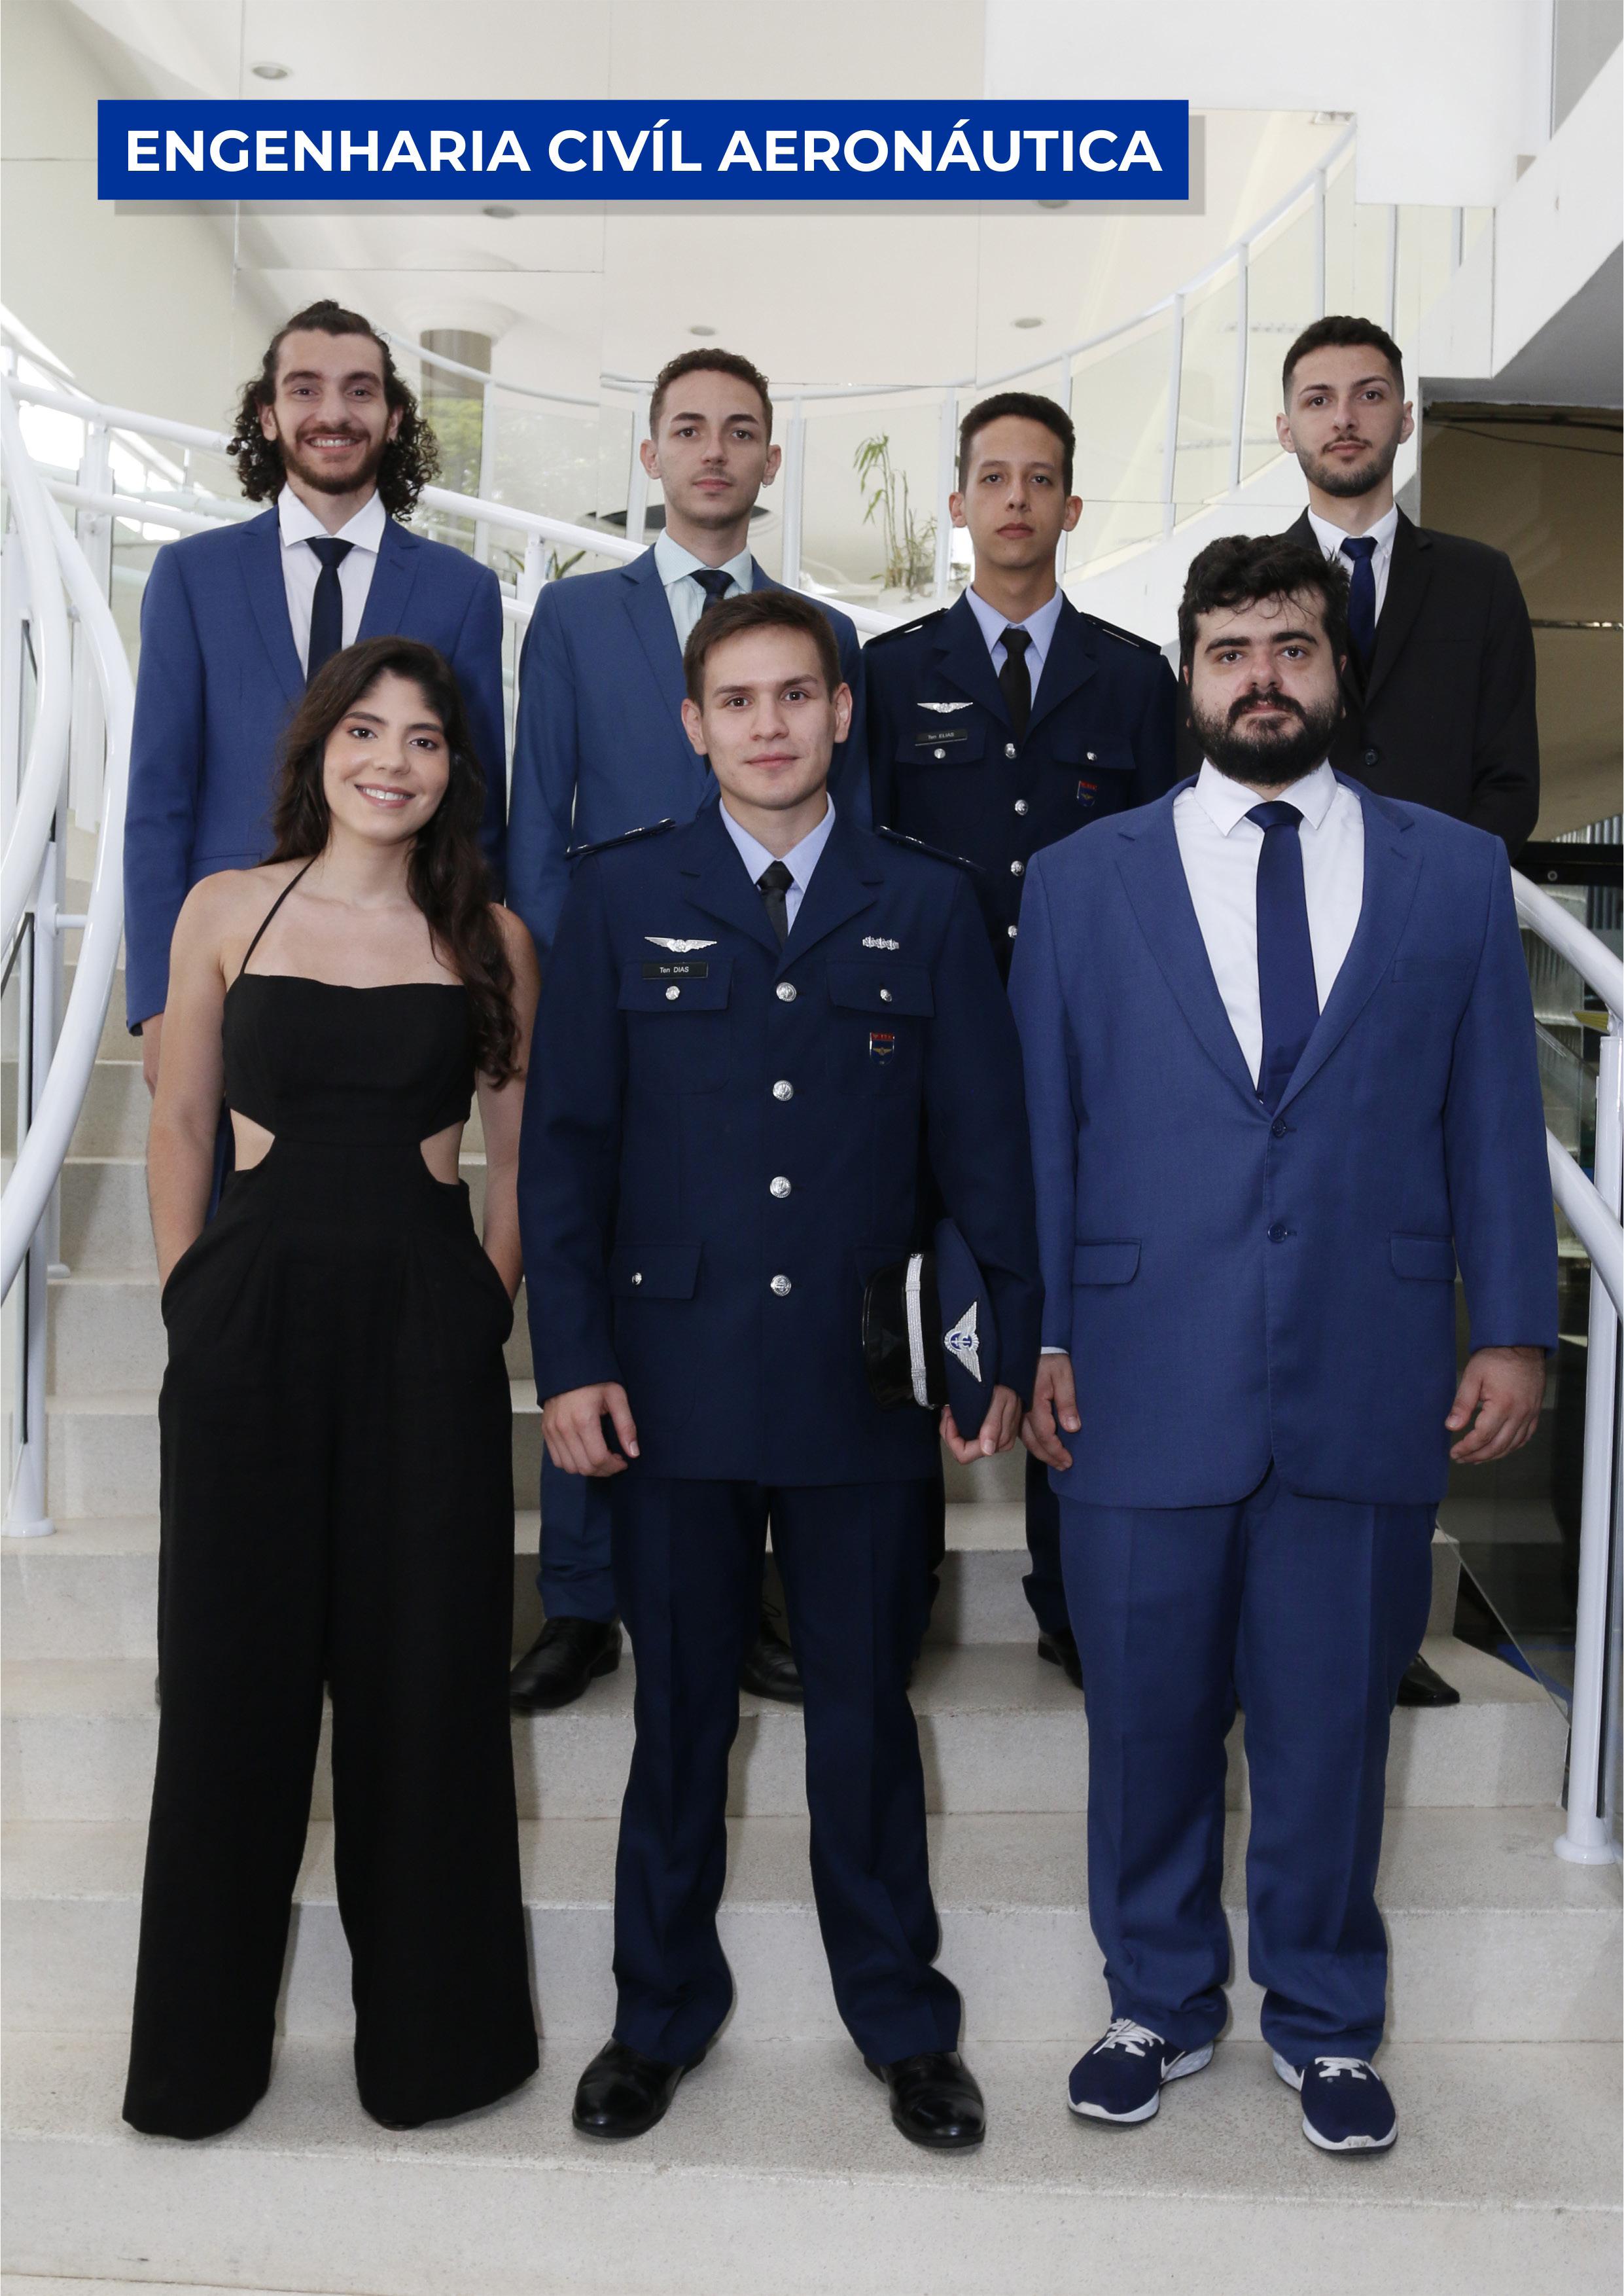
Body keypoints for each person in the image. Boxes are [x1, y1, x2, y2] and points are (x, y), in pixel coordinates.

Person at [1010, 534, 1555, 2155]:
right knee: (1144, 1720)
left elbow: (1493, 1121)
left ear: (1337, 671)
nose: (1261, 677)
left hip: (1366, 1365)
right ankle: (1155, 1999)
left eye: (1291, 647)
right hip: (1134, 1364)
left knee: (1327, 1722)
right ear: (1187, 675)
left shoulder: (1451, 873)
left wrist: (1510, 1327)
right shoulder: (1080, 880)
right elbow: (1041, 1131)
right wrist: (1036, 1332)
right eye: (1230, 649)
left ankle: (1323, 2020)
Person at [520, 590, 1041, 2149]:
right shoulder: (619, 894)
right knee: (679, 1715)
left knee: (864, 1716)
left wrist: (990, 1351)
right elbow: (566, 1152)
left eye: (794, 695)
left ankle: (902, 2020)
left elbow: (985, 1157)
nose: (767, 724)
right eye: (736, 700)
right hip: (669, 1380)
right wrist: (571, 1360)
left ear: (841, 712)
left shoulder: (927, 901)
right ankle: (656, 2013)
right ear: (693, 726)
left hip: (859, 1383)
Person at [124, 637, 540, 2140]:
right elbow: (180, 1119)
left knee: (426, 1683)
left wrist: (478, 1306)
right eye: (366, 730)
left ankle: (437, 2055)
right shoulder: (224, 908)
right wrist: (190, 1295)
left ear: (452, 770)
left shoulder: (490, 936)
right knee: (226, 1685)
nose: (392, 760)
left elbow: (519, 1159)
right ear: (318, 748)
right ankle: (197, 2064)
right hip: (247, 1331)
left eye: (423, 739)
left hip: (425, 1341)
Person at [506, 348, 868, 1714]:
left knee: (753, 1287)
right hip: (619, 1009)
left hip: (770, 1012)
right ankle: (579, 1597)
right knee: (596, 1275)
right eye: (688, 429)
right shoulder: (573, 615)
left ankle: (746, 1590)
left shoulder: (818, 631)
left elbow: (849, 840)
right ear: (651, 455)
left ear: (770, 458)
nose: (714, 450)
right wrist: (563, 996)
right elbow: (538, 824)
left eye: (740, 430)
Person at [866, 391, 1178, 1691]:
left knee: (1060, 1312)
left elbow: (1164, 875)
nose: (1013, 499)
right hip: (923, 1048)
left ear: (1070, 505)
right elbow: (866, 867)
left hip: (1080, 1054)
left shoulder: (1136, 677)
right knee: (901, 1309)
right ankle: (892, 1588)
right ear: (957, 503)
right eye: (991, 477)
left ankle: (1068, 1593)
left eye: (1038, 478)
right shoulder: (886, 672)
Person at [1276, 312, 1543, 1711]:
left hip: (1420, 976)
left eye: (1367, 393)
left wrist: (1418, 904)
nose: (1343, 417)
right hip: (1280, 971)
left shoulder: (1478, 582)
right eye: (1317, 397)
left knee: (1400, 1278)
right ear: (1284, 426)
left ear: (1401, 417)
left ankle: (1382, 1632)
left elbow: (1509, 787)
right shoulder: (1250, 583)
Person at [124, 298, 509, 1087]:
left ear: (394, 419)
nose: (333, 412)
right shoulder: (191, 576)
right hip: (225, 965)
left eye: (359, 390)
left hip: (401, 966)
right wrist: (159, 1002)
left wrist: (474, 980)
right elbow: (157, 800)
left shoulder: (462, 590)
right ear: (267, 416)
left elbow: (476, 804)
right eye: (305, 389)